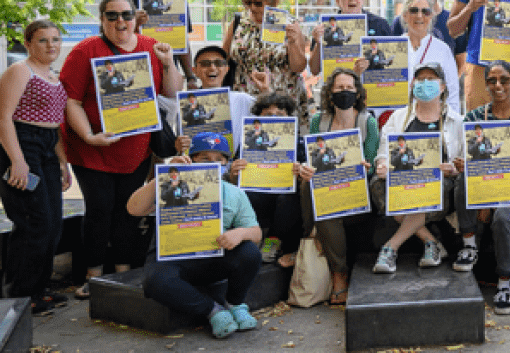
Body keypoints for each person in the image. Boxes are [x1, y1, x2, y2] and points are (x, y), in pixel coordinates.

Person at [62, 0, 183, 299]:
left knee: (128, 212)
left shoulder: (150, 46)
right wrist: (89, 136)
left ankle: (123, 274)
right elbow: (71, 101)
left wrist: (168, 64)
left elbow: (170, 92)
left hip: (135, 149)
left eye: (126, 15)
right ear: (101, 20)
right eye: (112, 16)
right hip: (93, 149)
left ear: (135, 18)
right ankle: (92, 275)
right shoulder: (84, 51)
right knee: (99, 210)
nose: (121, 22)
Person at [127, 132, 263, 339]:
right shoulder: (171, 186)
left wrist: (240, 233)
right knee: (155, 282)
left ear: (227, 163)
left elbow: (256, 233)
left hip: (213, 257)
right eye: (205, 159)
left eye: (219, 160)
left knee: (250, 252)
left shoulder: (234, 193)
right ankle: (213, 310)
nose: (213, 164)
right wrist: (163, 175)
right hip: (174, 258)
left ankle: (235, 304)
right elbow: (133, 209)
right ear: (191, 159)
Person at [0, 20, 72, 314]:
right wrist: (18, 161)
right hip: (20, 145)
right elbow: (3, 117)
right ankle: (19, 297)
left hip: (46, 147)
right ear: (27, 44)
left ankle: (38, 290)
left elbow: (54, 123)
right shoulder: (19, 71)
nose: (51, 45)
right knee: (32, 223)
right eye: (42, 40)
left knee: (52, 225)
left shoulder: (53, 76)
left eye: (55, 39)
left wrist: (63, 162)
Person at [459, 61, 510, 315]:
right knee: (462, 179)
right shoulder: (474, 117)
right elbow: (472, 163)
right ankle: (469, 245)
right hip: (484, 184)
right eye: (492, 80)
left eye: (504, 79)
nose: (498, 85)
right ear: (485, 84)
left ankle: (504, 284)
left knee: (504, 216)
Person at [372, 63, 467, 273]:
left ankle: (391, 247)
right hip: (403, 183)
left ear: (442, 87)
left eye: (431, 79)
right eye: (420, 79)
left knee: (437, 188)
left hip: (440, 187)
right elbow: (383, 152)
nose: (424, 84)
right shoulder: (398, 118)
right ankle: (431, 242)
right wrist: (383, 165)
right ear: (412, 84)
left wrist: (453, 168)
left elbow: (464, 160)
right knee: (377, 184)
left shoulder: (457, 122)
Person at [301, 67, 380, 304]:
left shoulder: (368, 122)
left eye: (349, 88)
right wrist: (306, 168)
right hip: (328, 188)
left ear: (357, 93)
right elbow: (313, 156)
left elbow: (373, 163)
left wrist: (365, 167)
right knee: (310, 187)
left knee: (324, 204)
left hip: (358, 191)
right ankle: (339, 274)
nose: (344, 92)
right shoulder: (319, 121)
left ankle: (332, 266)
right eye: (339, 88)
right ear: (329, 93)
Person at [222, 0, 310, 126]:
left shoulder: (290, 24)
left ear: (273, 0)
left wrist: (294, 41)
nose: (252, 8)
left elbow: (298, 67)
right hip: (246, 99)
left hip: (281, 101)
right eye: (247, 3)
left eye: (258, 3)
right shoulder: (238, 22)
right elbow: (224, 59)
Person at [364, 0, 461, 117]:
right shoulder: (391, 48)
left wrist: (451, 119)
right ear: (404, 15)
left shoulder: (442, 49)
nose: (419, 15)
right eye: (414, 11)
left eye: (425, 11)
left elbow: (452, 90)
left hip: (432, 117)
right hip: (397, 118)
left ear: (431, 16)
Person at [249, 92, 310, 268]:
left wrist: (301, 172)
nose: (274, 118)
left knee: (288, 199)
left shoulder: (300, 144)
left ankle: (273, 241)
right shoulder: (248, 140)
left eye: (280, 114)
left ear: (290, 118)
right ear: (258, 118)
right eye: (268, 115)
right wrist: (235, 173)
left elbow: (309, 176)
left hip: (286, 198)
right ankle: (251, 240)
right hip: (258, 193)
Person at [389, 0, 465, 72]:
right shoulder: (400, 22)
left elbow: (461, 62)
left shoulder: (453, 21)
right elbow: (391, 58)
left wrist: (449, 86)